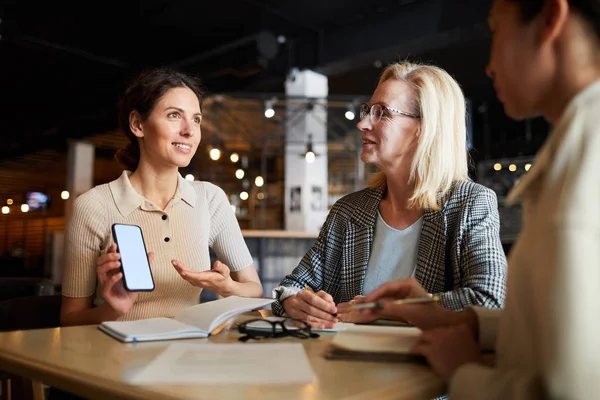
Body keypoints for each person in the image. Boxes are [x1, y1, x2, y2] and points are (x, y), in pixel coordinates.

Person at [362, 0, 600, 398]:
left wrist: (465, 371)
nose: (489, 65)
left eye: (496, 30)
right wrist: (469, 323)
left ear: (550, 20)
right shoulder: (573, 153)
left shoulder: (583, 166)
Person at [271, 61, 508, 328]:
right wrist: (296, 303)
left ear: (424, 127)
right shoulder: (348, 210)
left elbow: (488, 301)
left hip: (425, 366)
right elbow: (291, 287)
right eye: (367, 111)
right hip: (340, 363)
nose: (362, 123)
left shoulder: (471, 204)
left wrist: (391, 310)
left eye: (381, 112)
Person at [60, 67, 263, 326]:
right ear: (138, 124)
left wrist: (227, 287)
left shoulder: (210, 199)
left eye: (197, 119)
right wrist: (113, 309)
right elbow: (69, 320)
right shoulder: (94, 206)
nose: (189, 130)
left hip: (188, 354)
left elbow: (253, 289)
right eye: (174, 115)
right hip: (116, 359)